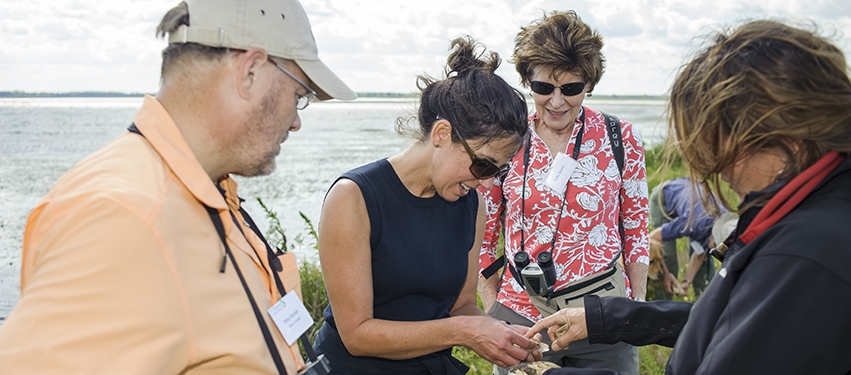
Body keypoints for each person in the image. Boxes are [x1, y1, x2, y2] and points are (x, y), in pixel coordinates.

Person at [0, 0, 356, 373]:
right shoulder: (127, 215)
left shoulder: (207, 189)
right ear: (250, 72)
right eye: (299, 96)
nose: (296, 121)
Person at [526, 19, 851, 374]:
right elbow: (722, 316)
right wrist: (608, 316)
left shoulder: (804, 252)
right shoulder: (808, 215)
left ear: (788, 139)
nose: (719, 170)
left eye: (720, 147)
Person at [312, 36, 542, 375]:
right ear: (441, 134)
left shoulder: (471, 203)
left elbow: (461, 305)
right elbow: (356, 335)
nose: (488, 182)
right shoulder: (354, 197)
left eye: (500, 169)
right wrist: (464, 333)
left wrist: (505, 335)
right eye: (484, 165)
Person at [476, 10, 649, 375]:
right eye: (543, 88)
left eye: (571, 88)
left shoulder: (620, 138)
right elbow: (484, 233)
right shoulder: (507, 139)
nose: (556, 101)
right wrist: (492, 308)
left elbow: (636, 229)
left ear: (589, 84)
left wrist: (636, 307)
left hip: (602, 315)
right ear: (528, 82)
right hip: (521, 316)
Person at [648, 177, 727, 298]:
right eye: (716, 247)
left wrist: (686, 282)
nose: (715, 250)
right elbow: (652, 239)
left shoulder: (726, 224)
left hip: (690, 195)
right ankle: (661, 304)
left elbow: (700, 254)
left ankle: (704, 300)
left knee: (705, 260)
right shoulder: (692, 223)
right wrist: (667, 273)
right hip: (664, 197)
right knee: (668, 256)